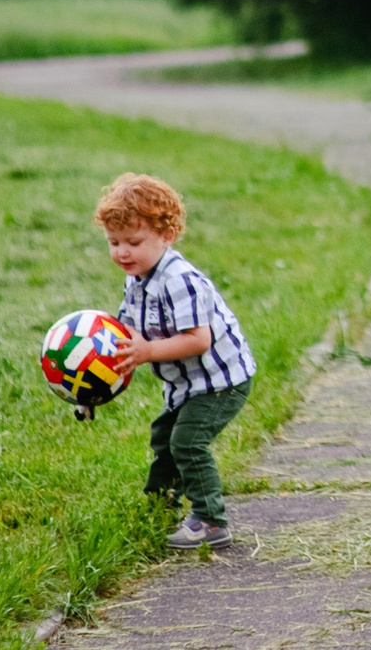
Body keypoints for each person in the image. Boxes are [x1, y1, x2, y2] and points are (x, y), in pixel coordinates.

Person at [97, 172, 258, 552]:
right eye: (114, 242)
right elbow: (124, 336)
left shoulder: (179, 280)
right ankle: (159, 505)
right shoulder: (137, 278)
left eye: (134, 242)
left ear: (166, 235)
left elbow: (199, 340)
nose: (122, 253)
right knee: (163, 437)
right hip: (186, 384)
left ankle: (211, 521)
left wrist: (148, 352)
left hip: (221, 381)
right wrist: (91, 389)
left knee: (187, 441)